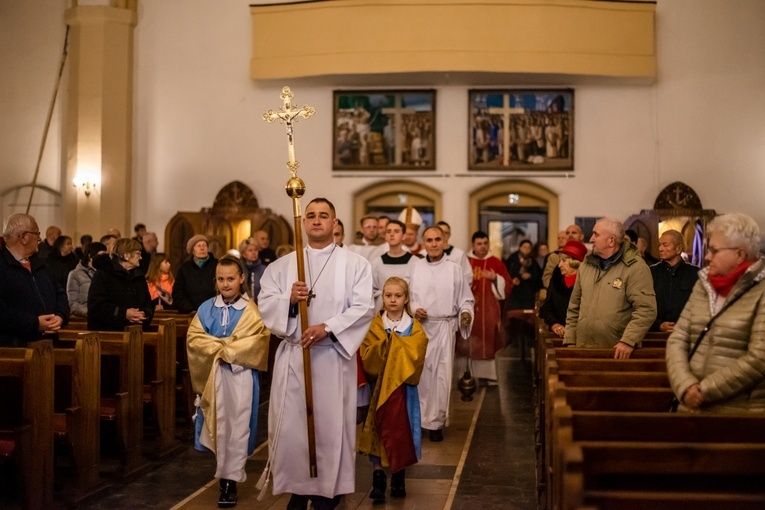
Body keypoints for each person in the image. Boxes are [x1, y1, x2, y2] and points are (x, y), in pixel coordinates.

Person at [258, 198, 375, 510]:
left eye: (324, 216)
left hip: (333, 359)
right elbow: (265, 304)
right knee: (294, 429)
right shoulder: (282, 266)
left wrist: (329, 326)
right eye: (310, 215)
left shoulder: (355, 265)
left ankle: (329, 490)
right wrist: (289, 300)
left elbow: (364, 307)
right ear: (303, 223)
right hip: (295, 357)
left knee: (330, 429)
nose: (317, 221)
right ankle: (298, 488)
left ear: (335, 223)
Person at [186, 255, 270, 507]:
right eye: (221, 279)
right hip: (214, 375)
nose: (225, 284)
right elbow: (194, 339)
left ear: (241, 278)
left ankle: (231, 479)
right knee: (218, 424)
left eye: (231, 279)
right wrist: (226, 348)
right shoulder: (205, 308)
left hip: (240, 375)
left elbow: (257, 341)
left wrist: (221, 349)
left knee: (237, 426)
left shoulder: (251, 310)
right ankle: (224, 478)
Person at [666, 213, 765, 413]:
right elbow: (678, 337)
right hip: (691, 408)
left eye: (714, 250)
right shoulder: (703, 285)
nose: (708, 257)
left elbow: (759, 357)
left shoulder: (761, 290)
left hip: (740, 414)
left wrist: (704, 391)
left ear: (740, 254)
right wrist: (685, 385)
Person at [357, 277, 428, 502]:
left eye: (398, 296)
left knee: (401, 431)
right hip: (378, 390)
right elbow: (366, 354)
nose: (393, 300)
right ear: (382, 297)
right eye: (388, 296)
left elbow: (417, 352)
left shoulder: (413, 327)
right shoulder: (375, 326)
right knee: (379, 430)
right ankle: (378, 479)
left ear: (406, 299)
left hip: (403, 391)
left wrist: (396, 345)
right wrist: (386, 345)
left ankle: (398, 477)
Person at [409, 226, 473, 442]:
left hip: (445, 329)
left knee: (442, 377)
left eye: (438, 239)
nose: (434, 244)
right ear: (423, 243)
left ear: (445, 241)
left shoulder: (454, 269)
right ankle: (419, 421)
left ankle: (436, 423)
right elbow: (409, 296)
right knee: (422, 377)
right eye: (429, 240)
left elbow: (466, 298)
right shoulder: (416, 267)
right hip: (421, 328)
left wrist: (465, 313)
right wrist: (414, 308)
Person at [563, 218, 656, 359]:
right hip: (583, 348)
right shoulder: (587, 264)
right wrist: (570, 340)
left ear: (611, 241)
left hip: (616, 351)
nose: (592, 239)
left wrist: (628, 341)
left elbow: (646, 309)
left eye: (596, 234)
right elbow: (574, 306)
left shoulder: (635, 267)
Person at [0, 214, 69, 346]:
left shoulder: (41, 265)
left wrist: (60, 317)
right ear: (24, 237)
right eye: (36, 233)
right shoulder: (3, 266)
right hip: (16, 347)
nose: (40, 238)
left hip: (49, 345)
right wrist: (35, 323)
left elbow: (60, 293)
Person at [465, 231, 512, 383]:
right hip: (468, 309)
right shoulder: (464, 261)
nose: (483, 247)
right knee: (465, 341)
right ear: (473, 245)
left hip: (488, 310)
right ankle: (466, 374)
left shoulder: (495, 262)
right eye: (479, 244)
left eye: (485, 243)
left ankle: (488, 376)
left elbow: (507, 285)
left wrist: (495, 279)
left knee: (488, 339)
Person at [87, 238, 154, 331]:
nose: (141, 257)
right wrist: (124, 313)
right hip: (109, 333)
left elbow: (148, 303)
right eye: (138, 254)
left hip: (136, 332)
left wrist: (144, 314)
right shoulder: (103, 275)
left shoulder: (138, 276)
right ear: (126, 256)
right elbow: (96, 307)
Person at [650, 230, 698, 332]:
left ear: (678, 249)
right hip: (656, 334)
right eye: (659, 245)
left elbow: (699, 307)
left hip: (686, 333)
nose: (660, 249)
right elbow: (643, 306)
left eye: (665, 245)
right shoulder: (651, 272)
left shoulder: (695, 273)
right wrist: (658, 324)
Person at [539, 240, 587, 338]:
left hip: (580, 336)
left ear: (575, 263)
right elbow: (546, 308)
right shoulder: (556, 280)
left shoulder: (587, 282)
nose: (559, 265)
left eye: (564, 261)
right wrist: (554, 324)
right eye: (560, 260)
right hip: (557, 335)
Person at [370, 220, 417, 311]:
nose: (392, 234)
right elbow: (371, 291)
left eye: (396, 231)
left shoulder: (415, 262)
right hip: (383, 311)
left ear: (403, 236)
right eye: (388, 231)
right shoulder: (377, 263)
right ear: (385, 236)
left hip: (408, 311)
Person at [173, 234, 218, 313]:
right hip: (190, 313)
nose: (202, 248)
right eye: (198, 246)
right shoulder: (185, 268)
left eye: (204, 245)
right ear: (192, 250)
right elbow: (178, 292)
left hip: (214, 311)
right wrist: (189, 309)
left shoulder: (217, 265)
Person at [67, 241, 107, 317]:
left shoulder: (104, 273)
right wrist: (94, 312)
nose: (103, 259)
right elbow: (73, 305)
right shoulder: (75, 274)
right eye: (101, 255)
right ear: (90, 256)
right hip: (84, 318)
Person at [505, 239, 542, 311]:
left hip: (528, 296)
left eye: (528, 248)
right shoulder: (512, 260)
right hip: (514, 295)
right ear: (520, 248)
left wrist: (530, 276)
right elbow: (505, 274)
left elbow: (539, 279)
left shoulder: (534, 262)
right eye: (524, 247)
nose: (526, 249)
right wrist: (512, 280)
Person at [436, 221, 473, 286]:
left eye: (446, 232)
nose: (443, 235)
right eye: (440, 232)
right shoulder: (425, 253)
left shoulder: (459, 254)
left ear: (449, 235)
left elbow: (468, 277)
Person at [238, 237, 265, 303]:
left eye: (255, 250)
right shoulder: (239, 269)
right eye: (250, 250)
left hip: (260, 305)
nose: (254, 253)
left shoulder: (264, 270)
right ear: (243, 253)